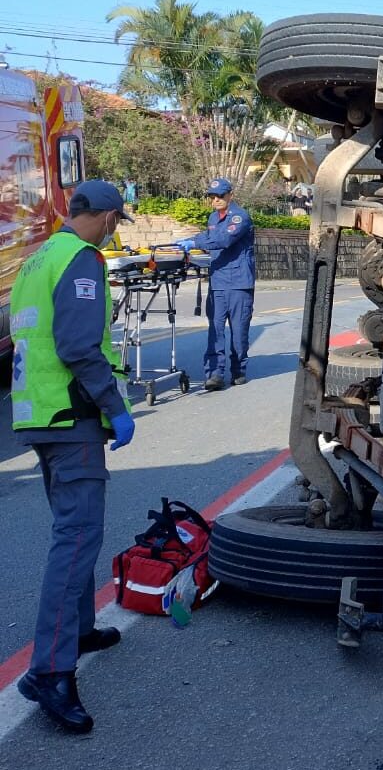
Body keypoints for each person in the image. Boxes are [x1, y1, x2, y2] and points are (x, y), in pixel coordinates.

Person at [11, 179, 136, 734]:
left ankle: (81, 629)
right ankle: (50, 671)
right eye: (116, 222)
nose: (114, 231)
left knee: (75, 527)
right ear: (107, 217)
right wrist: (115, 406)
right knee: (77, 537)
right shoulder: (83, 260)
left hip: (39, 416)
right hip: (72, 417)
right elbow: (79, 347)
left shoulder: (38, 258)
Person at [178, 177, 256, 391]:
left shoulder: (240, 217)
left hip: (239, 282)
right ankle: (215, 373)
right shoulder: (213, 217)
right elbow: (209, 236)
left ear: (230, 195)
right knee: (216, 329)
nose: (216, 199)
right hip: (218, 281)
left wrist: (195, 242)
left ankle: (238, 369)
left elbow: (223, 240)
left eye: (220, 195)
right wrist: (189, 242)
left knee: (239, 331)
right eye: (212, 196)